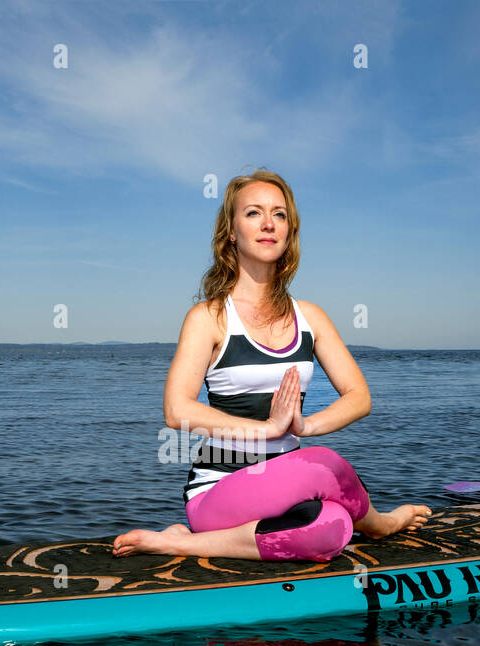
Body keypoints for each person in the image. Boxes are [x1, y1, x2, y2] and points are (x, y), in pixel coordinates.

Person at [112, 169, 431, 562]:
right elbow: (177, 411)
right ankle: (383, 525)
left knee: (333, 528)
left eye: (279, 215)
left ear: (289, 230)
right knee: (324, 465)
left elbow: (359, 396)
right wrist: (266, 429)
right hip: (221, 489)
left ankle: (183, 542)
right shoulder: (209, 317)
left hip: (289, 485)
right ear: (230, 231)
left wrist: (304, 426)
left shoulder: (310, 316)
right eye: (253, 213)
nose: (268, 224)